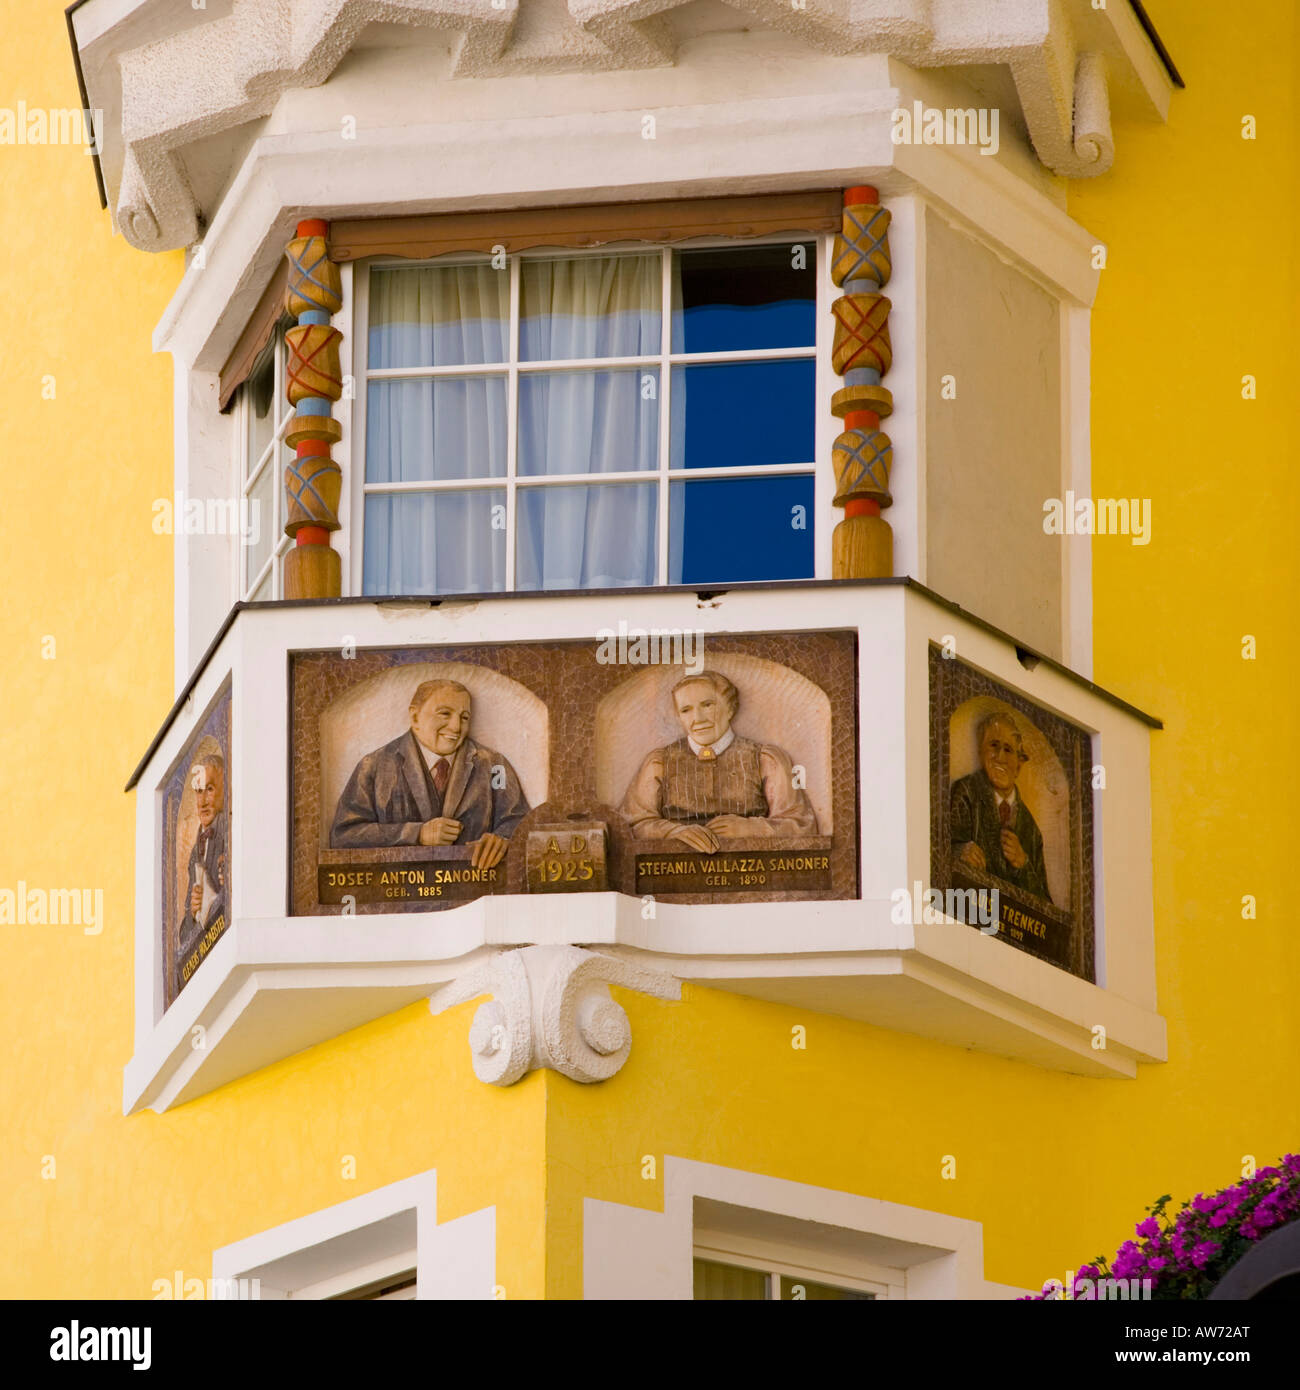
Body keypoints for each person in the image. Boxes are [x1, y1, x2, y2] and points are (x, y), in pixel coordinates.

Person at [331, 679, 529, 870]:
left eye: (464, 717)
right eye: (445, 713)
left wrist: (504, 839)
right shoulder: (374, 766)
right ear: (415, 717)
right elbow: (344, 835)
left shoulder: (494, 765)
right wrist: (417, 833)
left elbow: (519, 823)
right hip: (400, 894)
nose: (456, 727)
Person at [620, 670, 817, 853]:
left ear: (730, 708)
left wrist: (750, 828)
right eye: (686, 710)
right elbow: (630, 825)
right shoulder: (659, 763)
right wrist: (672, 832)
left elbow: (801, 825)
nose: (698, 719)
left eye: (708, 705)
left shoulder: (766, 759)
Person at [951, 711, 1051, 901]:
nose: (999, 757)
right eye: (993, 746)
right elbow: (938, 853)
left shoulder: (1031, 830)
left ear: (1019, 764)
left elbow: (1045, 904)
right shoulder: (965, 793)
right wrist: (959, 851)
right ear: (981, 752)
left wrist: (1023, 864)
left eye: (1008, 750)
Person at [178, 753, 226, 961]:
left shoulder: (228, 830)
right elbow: (184, 936)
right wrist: (193, 911)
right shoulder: (196, 850)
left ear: (225, 791)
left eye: (210, 789)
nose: (203, 801)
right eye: (198, 792)